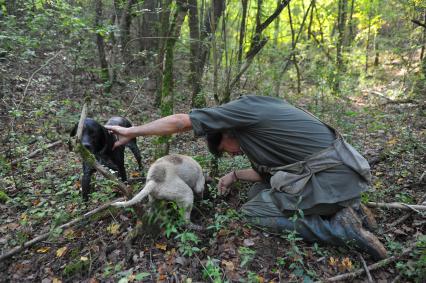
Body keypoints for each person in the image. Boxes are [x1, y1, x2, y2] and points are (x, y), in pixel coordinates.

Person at [106, 95, 387, 260]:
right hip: (340, 172)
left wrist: (133, 131)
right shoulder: (263, 112)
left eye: (225, 152)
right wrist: (234, 175)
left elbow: (181, 121)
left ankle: (341, 229)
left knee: (252, 211)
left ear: (225, 133)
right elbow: (268, 173)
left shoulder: (241, 114)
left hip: (330, 176)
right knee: (258, 193)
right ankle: (349, 207)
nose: (231, 156)